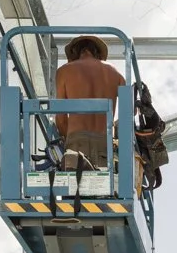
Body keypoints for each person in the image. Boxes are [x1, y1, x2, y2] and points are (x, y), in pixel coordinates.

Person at [54, 34, 125, 170]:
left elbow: (61, 119)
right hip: (105, 144)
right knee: (104, 189)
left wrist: (67, 139)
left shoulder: (64, 71)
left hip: (76, 144)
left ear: (75, 53)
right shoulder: (115, 73)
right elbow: (128, 111)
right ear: (98, 52)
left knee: (75, 189)